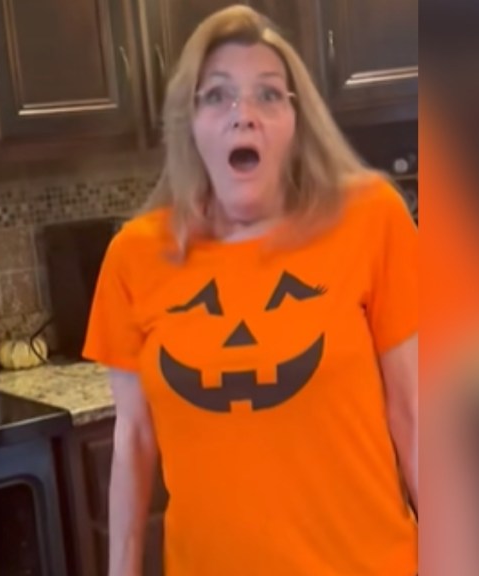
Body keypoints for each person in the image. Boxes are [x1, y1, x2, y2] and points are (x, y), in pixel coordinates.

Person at [83, 6, 418, 576]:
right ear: (188, 122)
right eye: (217, 96)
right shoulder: (134, 256)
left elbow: (412, 411)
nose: (244, 115)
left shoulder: (370, 218)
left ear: (296, 119)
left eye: (267, 95)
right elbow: (134, 439)